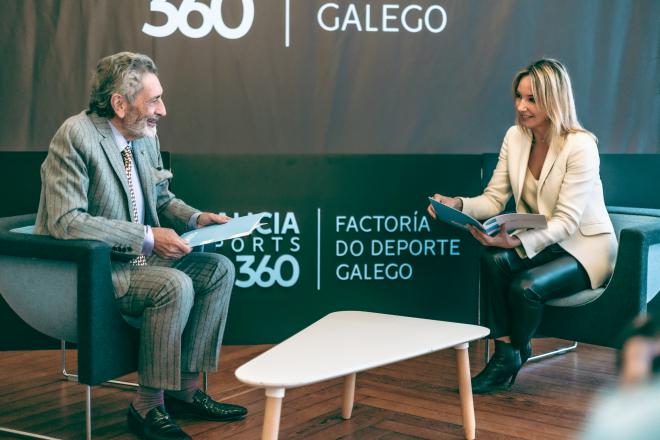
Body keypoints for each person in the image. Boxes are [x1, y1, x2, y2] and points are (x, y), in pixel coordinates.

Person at [35, 52, 246, 440]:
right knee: (174, 284)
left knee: (218, 269)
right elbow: (66, 222)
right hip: (101, 274)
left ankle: (185, 388)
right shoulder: (75, 135)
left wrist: (198, 218)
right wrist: (147, 237)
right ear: (119, 103)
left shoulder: (144, 135)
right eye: (153, 101)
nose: (162, 110)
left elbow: (162, 197)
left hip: (143, 267)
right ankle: (148, 405)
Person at [427, 58, 617, 394]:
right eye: (519, 96)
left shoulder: (581, 145)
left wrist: (515, 243)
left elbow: (567, 221)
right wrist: (459, 205)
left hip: (585, 248)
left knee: (525, 287)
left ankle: (512, 353)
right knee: (491, 260)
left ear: (554, 100)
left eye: (531, 99)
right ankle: (508, 354)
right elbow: (493, 199)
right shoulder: (515, 137)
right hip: (543, 242)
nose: (521, 107)